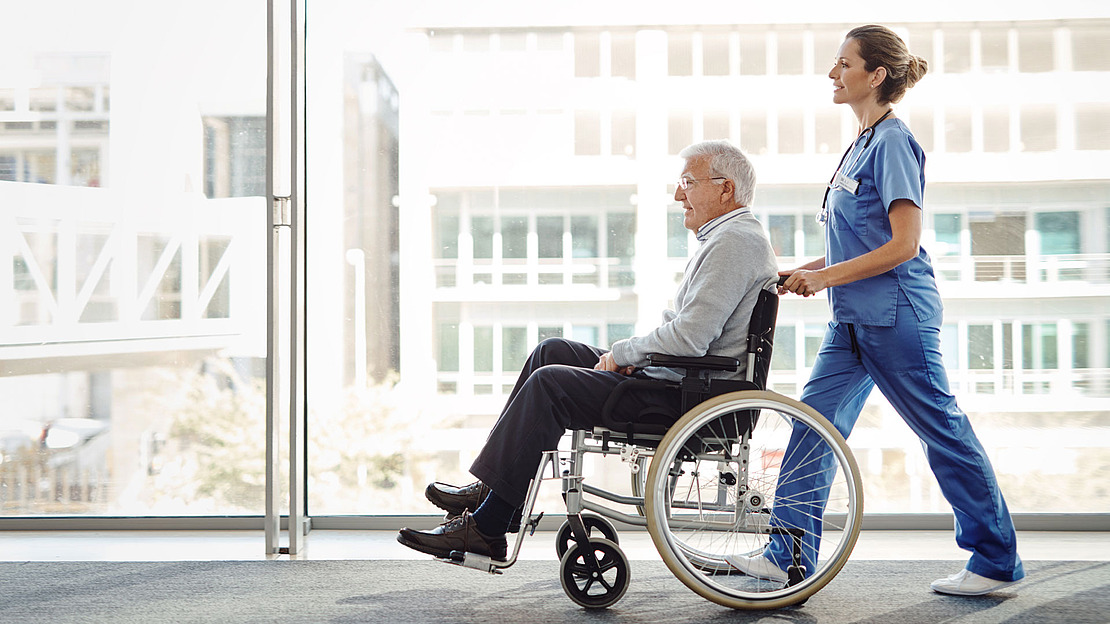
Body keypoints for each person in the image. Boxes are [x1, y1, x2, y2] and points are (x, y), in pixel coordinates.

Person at [725, 25, 1025, 596]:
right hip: (852, 321)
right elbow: (856, 241)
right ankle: (787, 555)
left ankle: (994, 560)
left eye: (843, 63)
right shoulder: (861, 143)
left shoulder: (892, 143)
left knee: (942, 433)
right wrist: (798, 271)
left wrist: (823, 278)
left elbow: (903, 244)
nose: (832, 73)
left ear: (876, 74)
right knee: (813, 426)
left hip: (896, 317)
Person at [397, 140, 778, 561]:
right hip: (680, 379)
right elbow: (691, 336)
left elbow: (690, 338)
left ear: (725, 189)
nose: (677, 195)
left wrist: (625, 355)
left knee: (551, 385)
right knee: (551, 352)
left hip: (692, 397)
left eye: (687, 182)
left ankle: (488, 527)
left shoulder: (734, 242)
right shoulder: (729, 237)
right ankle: (492, 491)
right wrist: (634, 357)